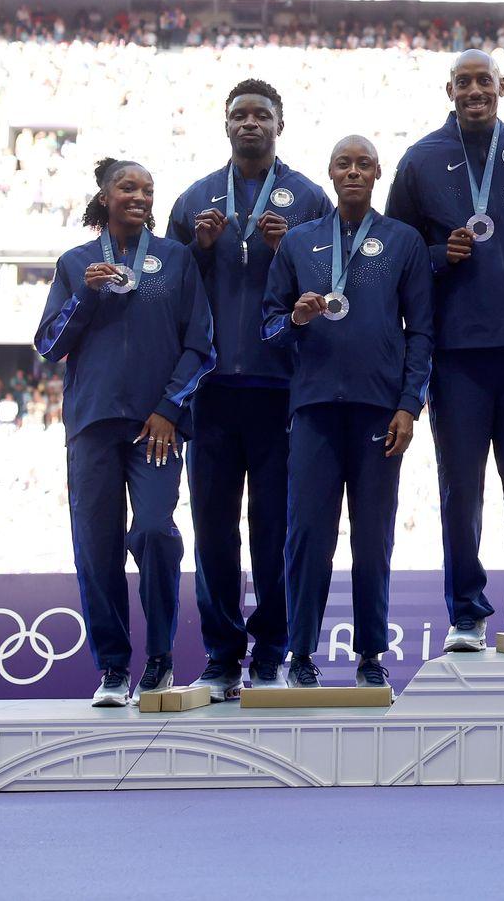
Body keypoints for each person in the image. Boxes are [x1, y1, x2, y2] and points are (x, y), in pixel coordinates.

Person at [385, 49, 504, 653]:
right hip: (457, 350)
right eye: (463, 82)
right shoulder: (420, 160)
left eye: (484, 81)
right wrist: (439, 253)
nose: (475, 90)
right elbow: (395, 248)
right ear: (449, 90)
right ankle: (466, 615)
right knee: (460, 489)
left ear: (502, 85)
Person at [166, 79, 329, 700]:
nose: (251, 123)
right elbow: (170, 289)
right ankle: (221, 654)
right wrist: (202, 251)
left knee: (275, 527)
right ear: (226, 125)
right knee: (212, 527)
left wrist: (292, 252)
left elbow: (331, 285)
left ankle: (271, 649)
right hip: (210, 390)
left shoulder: (309, 196)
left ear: (279, 125)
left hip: (281, 386)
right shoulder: (197, 198)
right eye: (241, 115)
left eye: (262, 114)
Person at [35, 159, 214, 706]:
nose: (139, 196)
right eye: (128, 188)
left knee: (157, 532)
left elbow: (201, 346)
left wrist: (168, 408)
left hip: (155, 428)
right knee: (96, 548)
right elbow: (48, 346)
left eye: (148, 189)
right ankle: (113, 667)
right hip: (91, 426)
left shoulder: (176, 260)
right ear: (105, 196)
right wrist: (84, 296)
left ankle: (159, 658)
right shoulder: (76, 263)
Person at [262, 136, 432, 692]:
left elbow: (421, 332)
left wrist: (409, 404)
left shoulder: (403, 241)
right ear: (330, 173)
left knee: (373, 535)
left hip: (378, 411)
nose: (354, 171)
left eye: (364, 164)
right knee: (308, 533)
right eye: (344, 163)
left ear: (378, 173)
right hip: (312, 410)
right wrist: (296, 317)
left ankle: (370, 655)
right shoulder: (299, 243)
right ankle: (301, 653)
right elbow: (269, 327)